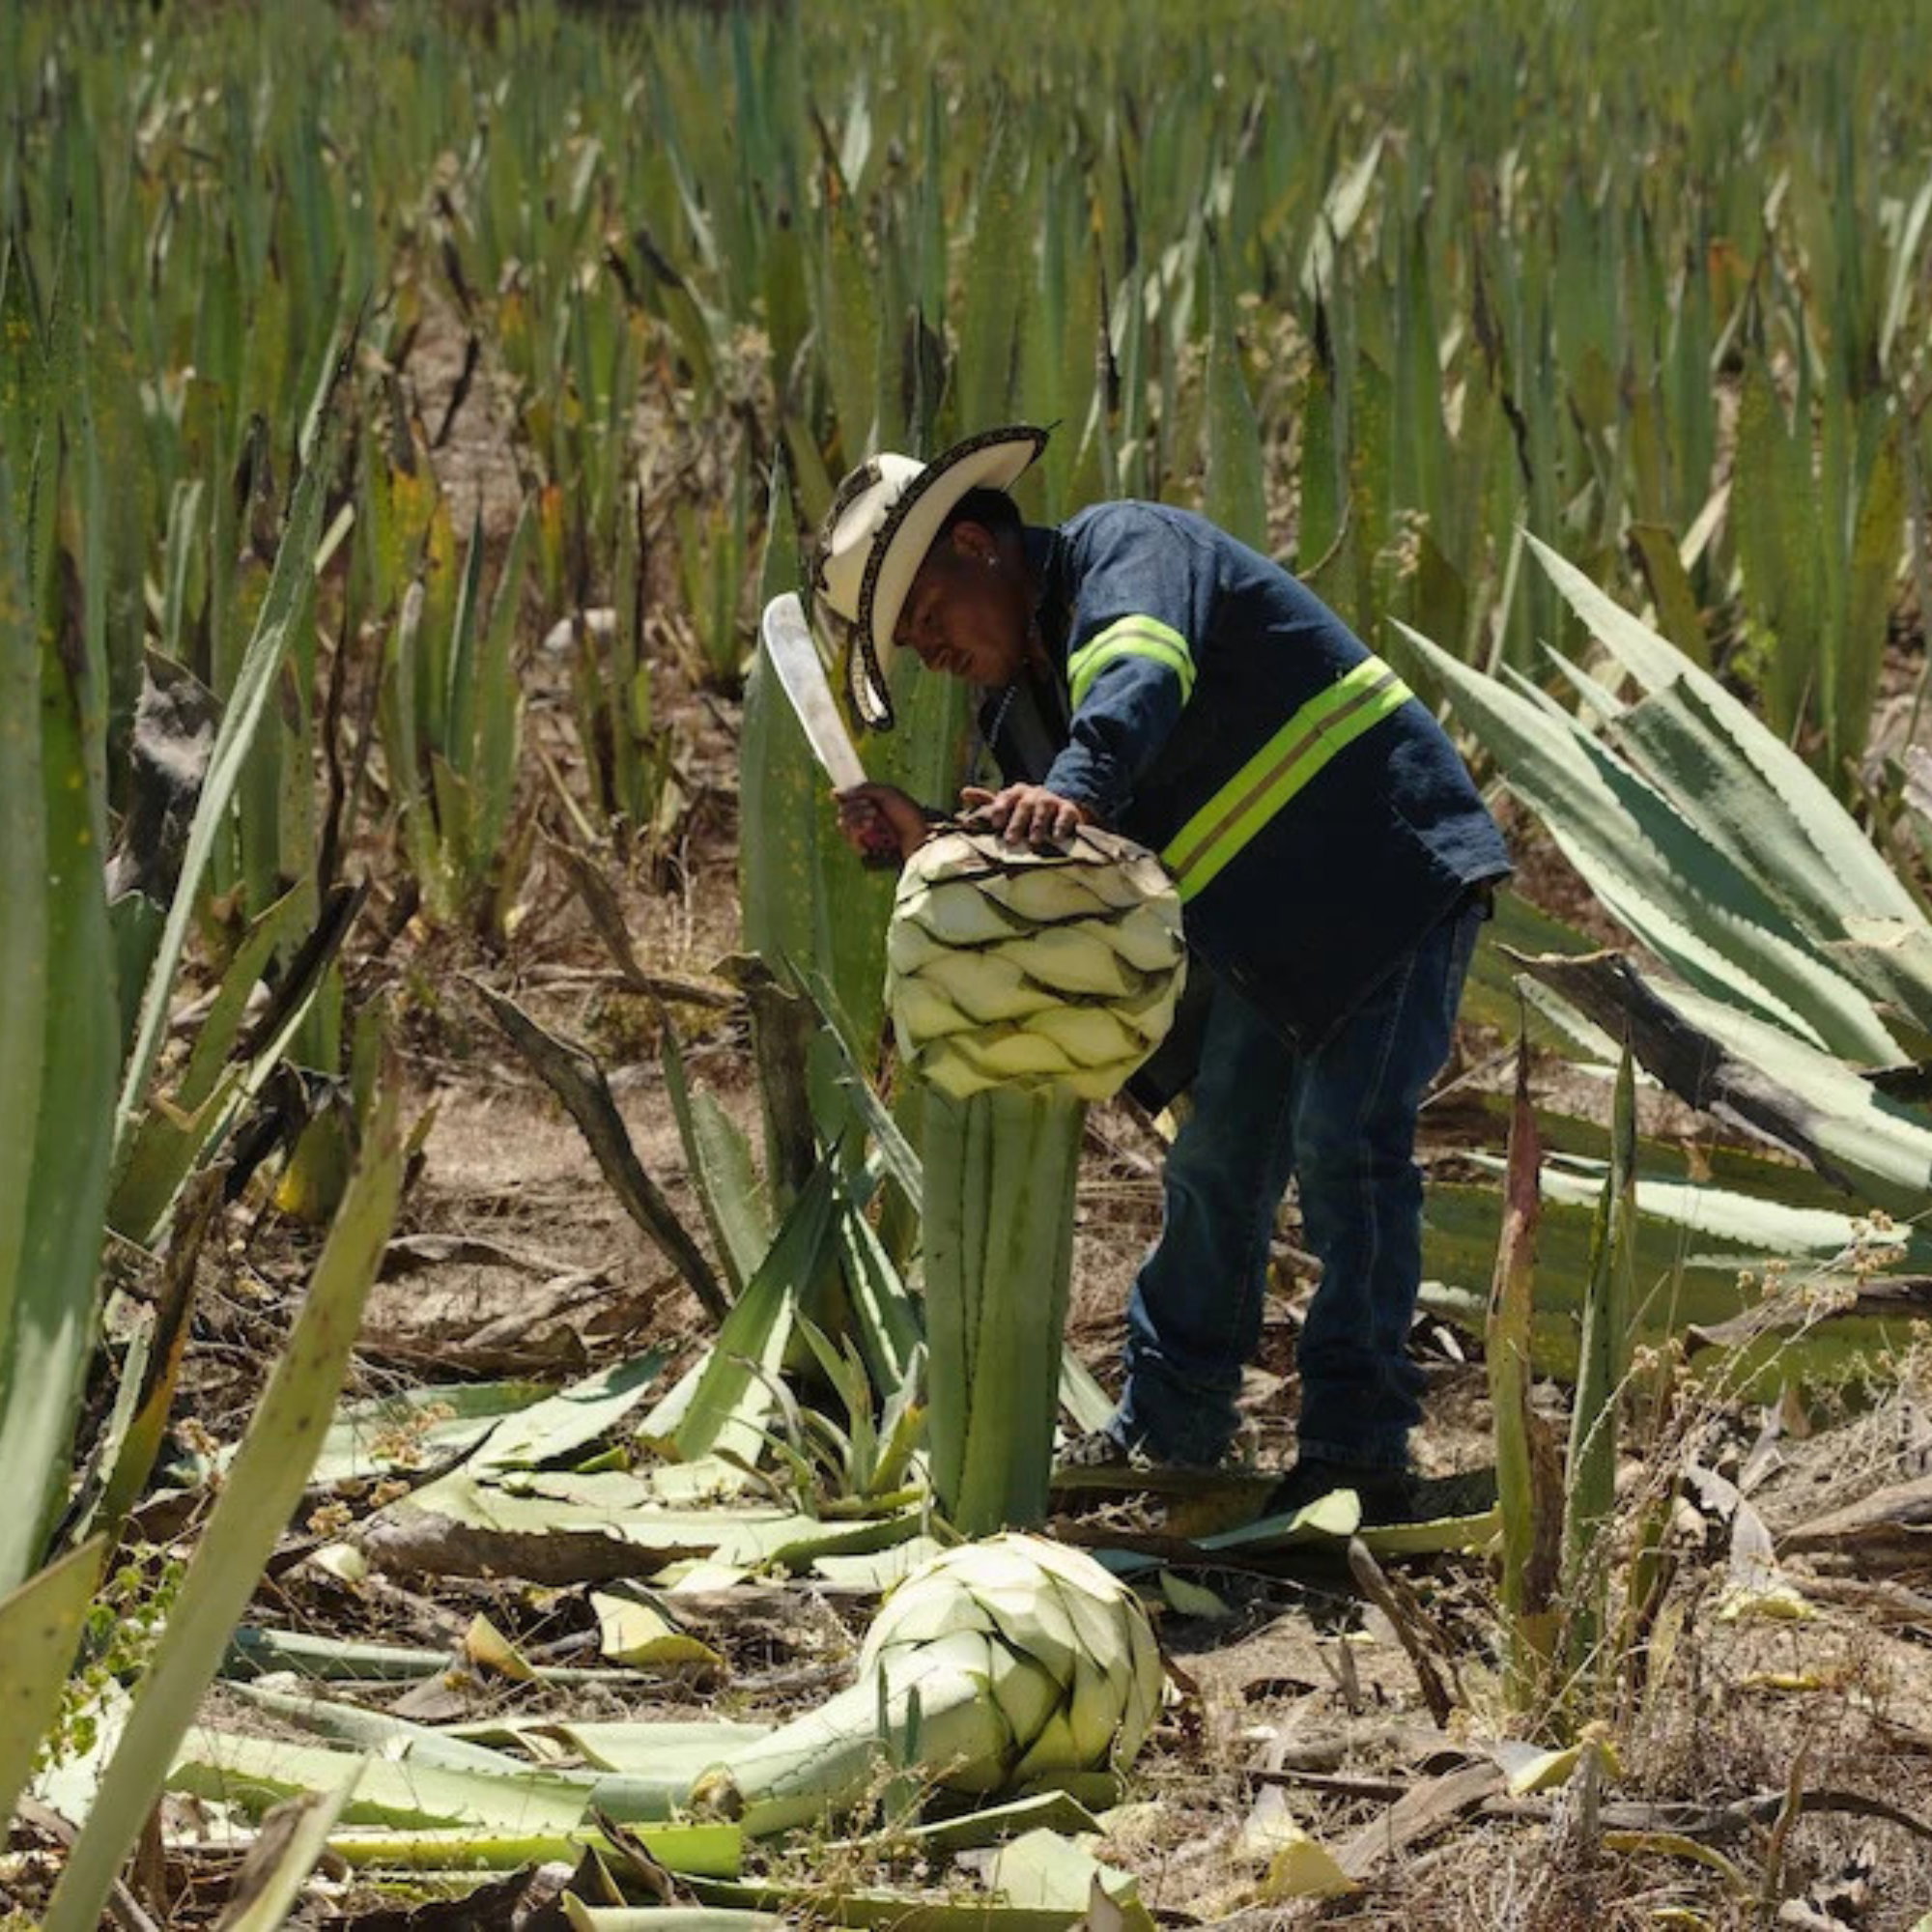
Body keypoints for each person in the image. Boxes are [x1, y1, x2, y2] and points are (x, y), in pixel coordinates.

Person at [810, 424, 1511, 1520]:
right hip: (1262, 937)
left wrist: (1073, 782)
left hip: (1383, 871)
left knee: (1346, 1152)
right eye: (906, 640)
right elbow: (1070, 845)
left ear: (975, 545)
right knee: (1215, 1165)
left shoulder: (1124, 548)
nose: (928, 650)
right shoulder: (1018, 708)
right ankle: (1173, 1425)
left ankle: (1356, 1451)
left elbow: (1140, 673)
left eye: (927, 616)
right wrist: (931, 837)